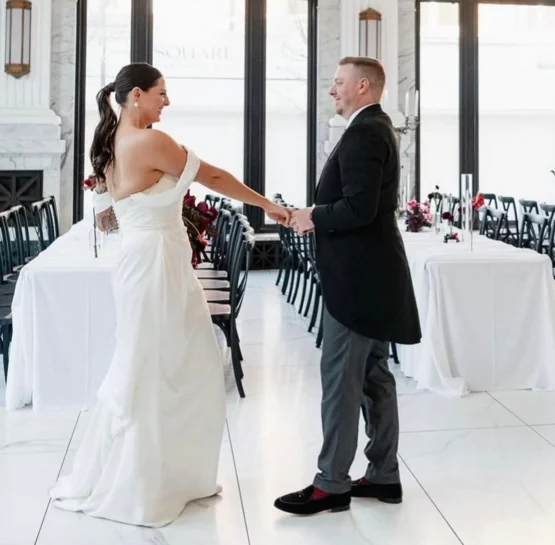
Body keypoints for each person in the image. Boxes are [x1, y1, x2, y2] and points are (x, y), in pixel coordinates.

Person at [50, 63, 289, 527]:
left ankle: (169, 476)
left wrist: (143, 213)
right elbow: (214, 178)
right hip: (157, 262)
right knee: (168, 364)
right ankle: (146, 485)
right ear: (136, 95)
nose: (168, 101)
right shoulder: (152, 140)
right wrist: (268, 206)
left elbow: (107, 216)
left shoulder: (109, 143)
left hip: (145, 259)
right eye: (162, 93)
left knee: (160, 363)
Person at [275, 57, 421, 516]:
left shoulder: (364, 132)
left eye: (338, 83)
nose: (332, 90)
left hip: (358, 283)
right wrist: (313, 213)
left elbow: (357, 209)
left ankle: (331, 483)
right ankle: (383, 475)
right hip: (372, 277)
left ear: (363, 85)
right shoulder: (375, 129)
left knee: (341, 380)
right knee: (375, 376)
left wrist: (311, 216)